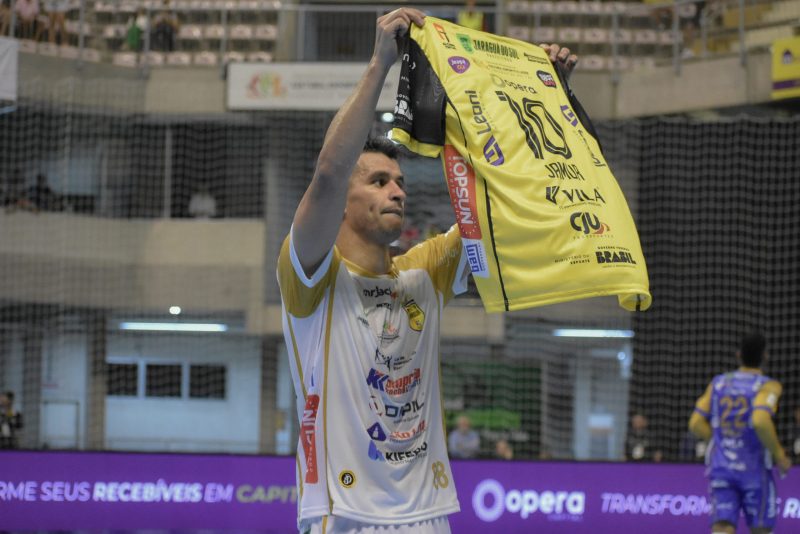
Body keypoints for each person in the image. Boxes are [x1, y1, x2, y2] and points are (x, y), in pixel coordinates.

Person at [276, 8, 576, 533]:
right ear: (343, 203)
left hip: (428, 516)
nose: (396, 190)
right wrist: (380, 64)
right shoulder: (312, 280)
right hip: (343, 516)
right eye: (376, 181)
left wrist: (548, 101)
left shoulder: (425, 272)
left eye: (399, 182)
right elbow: (328, 172)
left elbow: (500, 198)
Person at [688, 332, 792, 534]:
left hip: (722, 467)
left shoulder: (718, 383)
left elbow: (695, 423)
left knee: (722, 527)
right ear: (765, 356)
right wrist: (780, 455)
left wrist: (721, 438)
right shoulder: (768, 385)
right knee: (761, 528)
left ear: (738, 355)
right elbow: (760, 421)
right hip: (755, 470)